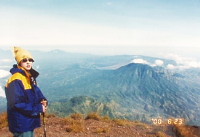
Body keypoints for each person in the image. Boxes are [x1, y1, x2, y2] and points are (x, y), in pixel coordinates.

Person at [5, 47, 48, 137]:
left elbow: (36, 92)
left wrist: (43, 99)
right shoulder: (16, 79)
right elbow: (17, 103)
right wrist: (39, 108)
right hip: (21, 123)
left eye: (30, 60)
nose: (28, 62)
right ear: (19, 62)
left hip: (28, 121)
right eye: (24, 60)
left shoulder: (28, 77)